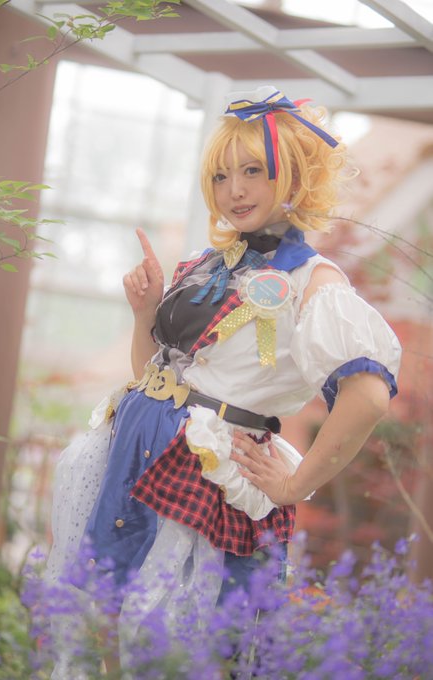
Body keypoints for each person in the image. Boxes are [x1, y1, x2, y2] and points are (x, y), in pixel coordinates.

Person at [47, 85, 401, 672]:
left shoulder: (314, 281)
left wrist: (295, 484)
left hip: (205, 475)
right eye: (220, 175)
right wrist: (145, 313)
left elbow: (367, 397)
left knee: (174, 646)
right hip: (138, 447)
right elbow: (160, 379)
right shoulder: (209, 264)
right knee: (108, 619)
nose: (233, 190)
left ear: (295, 176)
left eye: (253, 171)